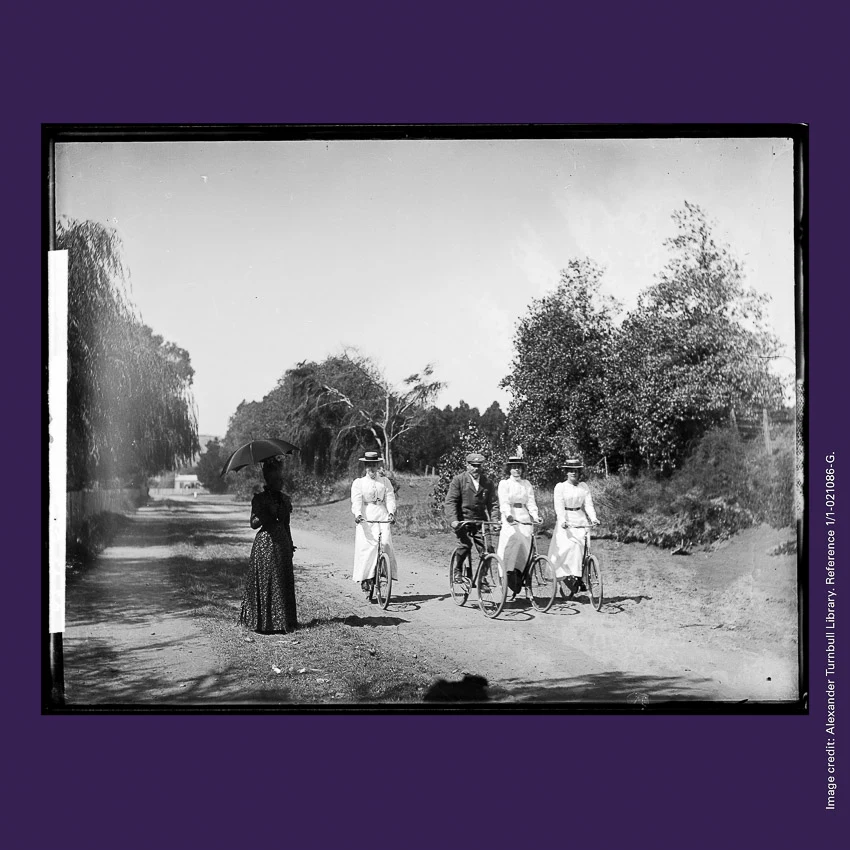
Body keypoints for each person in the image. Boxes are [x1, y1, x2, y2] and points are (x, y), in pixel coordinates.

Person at [239, 455, 298, 633]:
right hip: (265, 544)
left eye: (281, 478)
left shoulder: (285, 499)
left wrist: (290, 544)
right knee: (266, 583)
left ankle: (283, 621)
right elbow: (253, 523)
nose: (280, 482)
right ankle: (263, 623)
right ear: (269, 480)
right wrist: (266, 513)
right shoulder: (259, 499)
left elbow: (286, 524)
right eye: (276, 479)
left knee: (281, 581)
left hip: (281, 543)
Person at [443, 452, 499, 581]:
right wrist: (453, 520)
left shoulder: (487, 482)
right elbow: (450, 501)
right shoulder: (459, 480)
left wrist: (495, 521)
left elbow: (493, 504)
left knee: (488, 549)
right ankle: (458, 569)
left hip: (480, 521)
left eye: (479, 465)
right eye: (473, 465)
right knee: (465, 545)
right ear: (467, 465)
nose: (476, 468)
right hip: (463, 521)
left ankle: (482, 577)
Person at [547, 457, 599, 595]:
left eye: (575, 470)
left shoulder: (584, 487)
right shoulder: (561, 487)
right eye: (570, 471)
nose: (573, 473)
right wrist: (562, 520)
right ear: (566, 472)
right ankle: (566, 576)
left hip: (580, 519)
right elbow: (559, 506)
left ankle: (580, 577)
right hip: (567, 520)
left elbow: (588, 504)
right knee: (570, 547)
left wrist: (593, 518)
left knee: (584, 549)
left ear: (579, 472)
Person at [351, 451, 397, 595]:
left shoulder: (384, 482)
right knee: (368, 548)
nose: (372, 468)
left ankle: (384, 572)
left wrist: (391, 512)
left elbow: (390, 498)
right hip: (367, 517)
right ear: (365, 467)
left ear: (378, 466)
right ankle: (366, 579)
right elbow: (356, 501)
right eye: (369, 465)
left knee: (385, 543)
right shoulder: (359, 483)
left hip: (382, 515)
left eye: (374, 465)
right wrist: (358, 514)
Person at [496, 452, 541, 598]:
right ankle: (508, 572)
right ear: (509, 469)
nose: (517, 470)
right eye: (514, 467)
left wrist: (535, 516)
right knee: (513, 540)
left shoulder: (526, 484)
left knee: (528, 550)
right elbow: (503, 503)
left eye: (519, 467)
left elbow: (531, 503)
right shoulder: (504, 484)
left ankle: (524, 579)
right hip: (510, 518)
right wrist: (508, 516)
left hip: (524, 517)